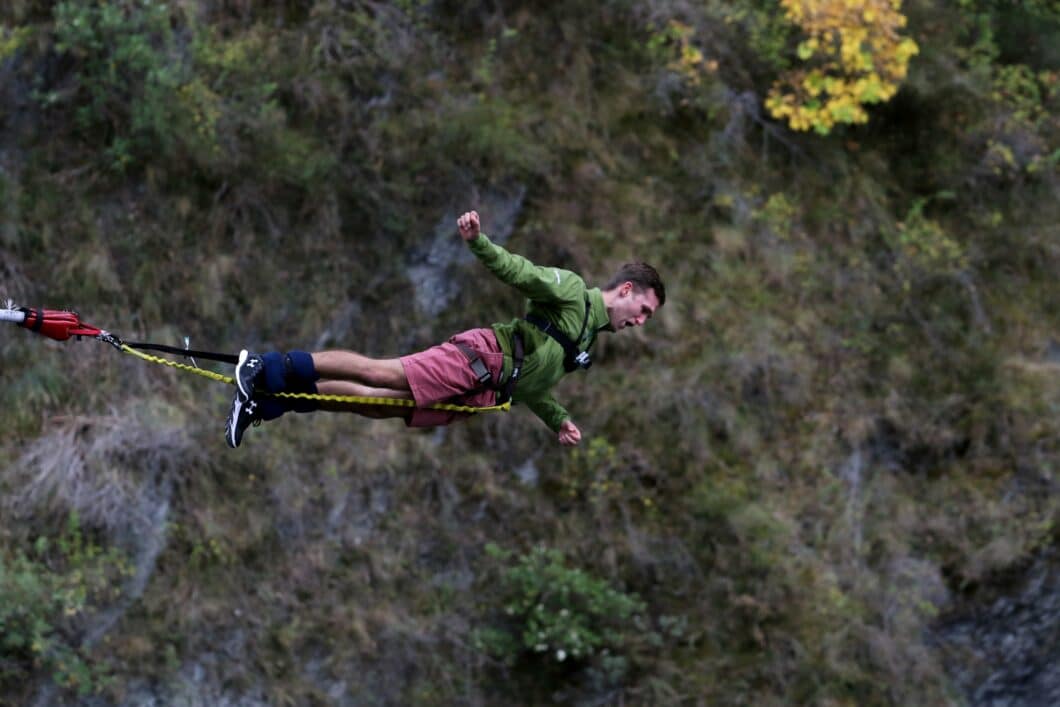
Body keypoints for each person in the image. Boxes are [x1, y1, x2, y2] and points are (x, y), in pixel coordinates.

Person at [225, 210, 665, 448]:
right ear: (626, 290)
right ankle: (267, 367)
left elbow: (535, 385)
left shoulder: (586, 337)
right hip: (483, 357)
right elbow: (521, 273)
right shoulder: (571, 291)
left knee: (380, 406)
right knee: (383, 374)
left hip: (487, 393)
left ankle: (269, 401)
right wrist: (480, 243)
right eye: (643, 310)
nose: (640, 322)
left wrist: (558, 419)